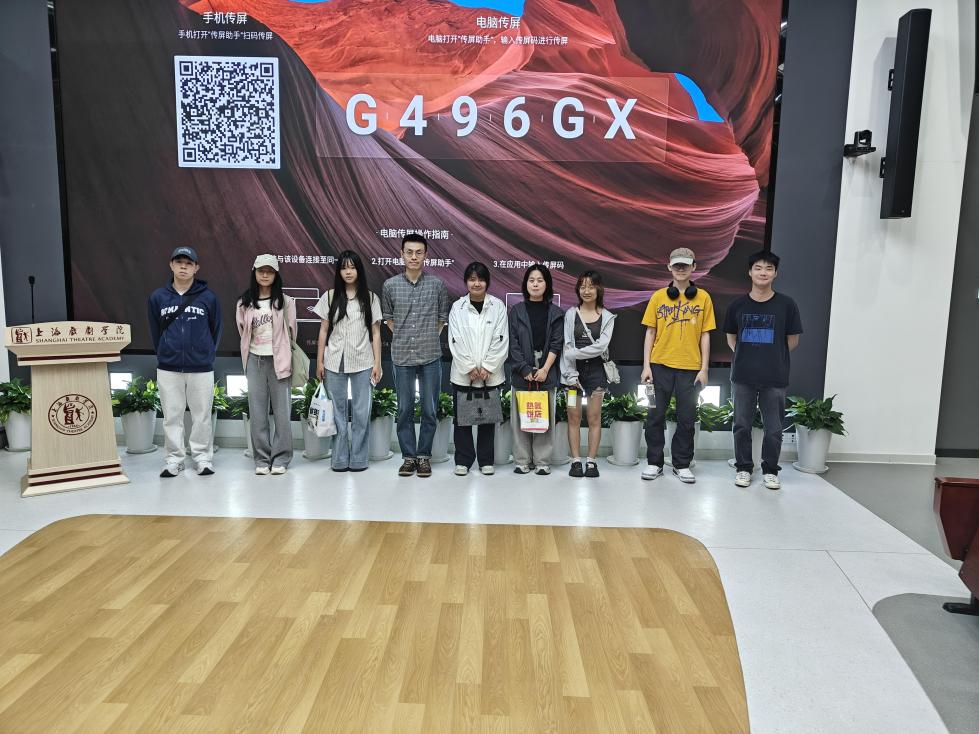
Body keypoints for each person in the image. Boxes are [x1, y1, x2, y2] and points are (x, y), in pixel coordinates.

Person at [724, 250, 803, 490]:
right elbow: (731, 338)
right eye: (758, 268)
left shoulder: (787, 305)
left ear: (775, 273)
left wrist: (771, 357)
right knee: (741, 425)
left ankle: (770, 470)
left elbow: (792, 341)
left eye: (769, 268)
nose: (763, 273)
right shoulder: (737, 305)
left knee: (774, 428)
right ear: (750, 272)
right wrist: (749, 356)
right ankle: (743, 468)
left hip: (775, 376)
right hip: (743, 376)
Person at [639, 247, 715, 484]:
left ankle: (681, 464)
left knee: (686, 418)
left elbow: (705, 334)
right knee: (654, 415)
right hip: (658, 366)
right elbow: (650, 332)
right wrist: (646, 366)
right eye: (677, 265)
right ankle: (654, 462)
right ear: (669, 267)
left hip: (690, 369)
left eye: (685, 265)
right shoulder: (658, 297)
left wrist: (704, 369)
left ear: (694, 267)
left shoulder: (703, 298)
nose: (681, 269)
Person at [147, 246, 222, 478]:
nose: (183, 266)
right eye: (179, 262)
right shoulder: (158, 297)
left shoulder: (209, 298)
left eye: (189, 263)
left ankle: (202, 458)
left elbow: (216, 330)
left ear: (196, 268)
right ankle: (174, 459)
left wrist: (205, 354)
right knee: (172, 416)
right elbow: (155, 331)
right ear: (171, 265)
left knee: (202, 415)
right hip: (168, 367)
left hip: (200, 368)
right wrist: (165, 353)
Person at [381, 233, 450, 478]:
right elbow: (388, 318)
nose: (413, 257)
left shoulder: (437, 285)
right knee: (404, 410)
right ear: (401, 254)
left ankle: (424, 457)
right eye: (409, 252)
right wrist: (404, 336)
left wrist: (427, 336)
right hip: (402, 357)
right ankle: (408, 457)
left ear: (425, 256)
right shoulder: (390, 285)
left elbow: (442, 318)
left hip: (430, 355)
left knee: (429, 410)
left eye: (418, 252)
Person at [314, 250, 382, 472]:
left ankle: (359, 459)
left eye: (352, 267)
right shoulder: (330, 296)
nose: (348, 272)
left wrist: (378, 363)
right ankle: (339, 459)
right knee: (337, 413)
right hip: (334, 361)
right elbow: (323, 331)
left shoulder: (370, 298)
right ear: (339, 271)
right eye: (344, 268)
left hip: (363, 361)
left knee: (362, 412)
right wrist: (320, 362)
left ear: (359, 270)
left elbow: (376, 333)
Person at [235, 254, 297, 476]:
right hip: (255, 360)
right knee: (258, 412)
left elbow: (292, 332)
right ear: (254, 272)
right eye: (261, 270)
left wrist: (282, 353)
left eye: (270, 271)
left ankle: (281, 457)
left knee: (282, 413)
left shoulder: (286, 302)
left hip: (279, 361)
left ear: (276, 274)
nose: (265, 275)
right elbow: (243, 331)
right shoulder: (244, 302)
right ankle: (261, 458)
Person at [448, 262, 509, 476]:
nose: (476, 283)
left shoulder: (498, 306)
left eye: (481, 279)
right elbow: (455, 339)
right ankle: (463, 460)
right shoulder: (457, 307)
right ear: (466, 282)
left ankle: (486, 460)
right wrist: (469, 367)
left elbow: (501, 338)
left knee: (487, 419)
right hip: (464, 375)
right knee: (462, 420)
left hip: (490, 375)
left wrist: (488, 367)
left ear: (487, 282)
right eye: (472, 279)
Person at [507, 263, 564, 475]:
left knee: (544, 417)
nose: (535, 284)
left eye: (540, 280)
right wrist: (524, 369)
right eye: (531, 280)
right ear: (526, 284)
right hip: (521, 372)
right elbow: (512, 343)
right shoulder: (516, 311)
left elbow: (557, 343)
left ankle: (542, 462)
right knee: (520, 418)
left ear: (547, 284)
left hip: (546, 371)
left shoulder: (556, 313)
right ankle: (522, 460)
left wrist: (545, 369)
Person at [560, 270, 615, 478]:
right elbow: (566, 346)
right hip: (573, 373)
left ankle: (591, 462)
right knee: (573, 417)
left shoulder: (607, 317)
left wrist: (575, 353)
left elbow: (600, 347)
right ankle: (576, 461)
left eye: (591, 286)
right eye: (583, 286)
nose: (587, 291)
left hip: (596, 372)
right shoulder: (571, 314)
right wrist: (570, 373)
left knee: (594, 418)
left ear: (599, 289)